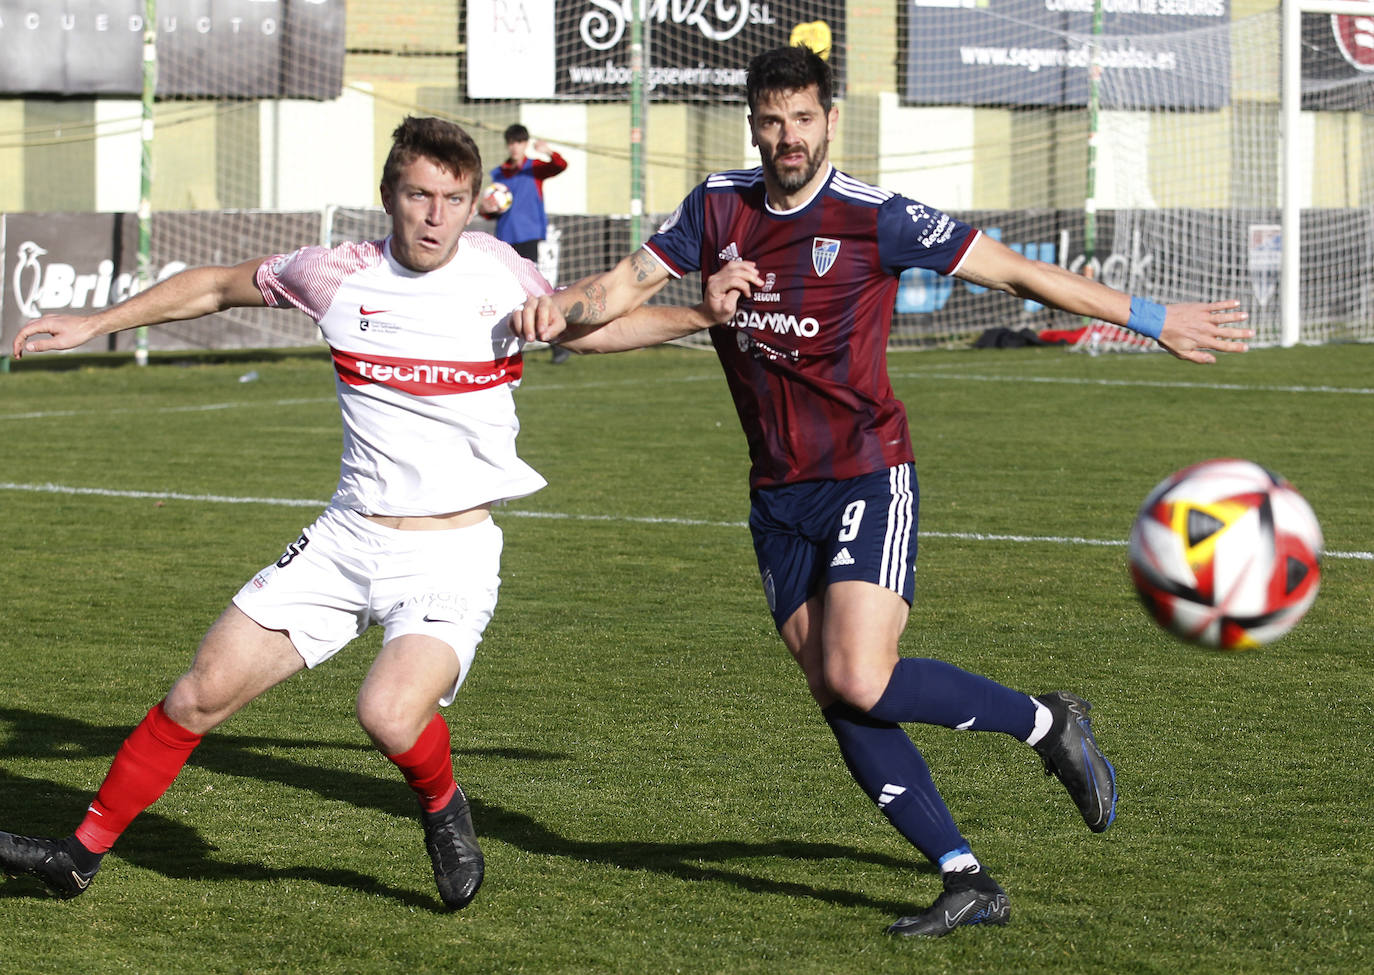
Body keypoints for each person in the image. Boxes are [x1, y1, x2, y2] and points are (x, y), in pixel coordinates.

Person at [515, 44, 1253, 937]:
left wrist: (1150, 317)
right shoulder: (716, 206)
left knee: (861, 674)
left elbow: (1019, 272)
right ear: (754, 125)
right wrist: (556, 312)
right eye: (771, 121)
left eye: (802, 119)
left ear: (831, 121)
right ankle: (965, 874)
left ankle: (1046, 721)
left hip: (866, 470)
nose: (787, 137)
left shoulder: (877, 217)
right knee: (837, 693)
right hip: (776, 494)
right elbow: (617, 292)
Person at [0, 116, 734, 910]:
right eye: (419, 194)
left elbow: (593, 328)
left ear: (471, 202)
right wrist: (94, 323)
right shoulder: (333, 273)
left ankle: (444, 807)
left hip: (451, 556)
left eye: (453, 198)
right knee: (198, 693)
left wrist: (700, 317)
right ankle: (77, 856)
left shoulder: (503, 274)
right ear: (389, 195)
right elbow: (215, 284)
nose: (434, 214)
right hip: (346, 538)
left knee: (386, 710)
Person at [481, 124, 572, 363]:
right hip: (505, 238)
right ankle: (501, 344)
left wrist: (548, 151)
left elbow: (560, 166)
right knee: (503, 291)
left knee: (536, 291)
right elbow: (491, 211)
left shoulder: (534, 168)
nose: (515, 147)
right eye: (511, 142)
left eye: (519, 142)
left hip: (529, 236)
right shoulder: (499, 174)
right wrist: (487, 209)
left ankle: (559, 340)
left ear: (525, 144)